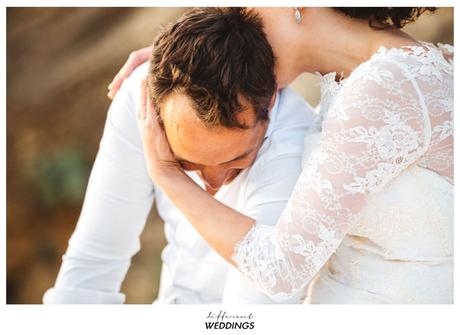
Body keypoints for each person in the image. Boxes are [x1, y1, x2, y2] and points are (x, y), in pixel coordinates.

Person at [112, 7, 453, 303]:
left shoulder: (386, 86)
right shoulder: (378, 79)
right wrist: (186, 62)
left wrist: (166, 173)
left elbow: (282, 267)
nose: (236, 22)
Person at [43, 8, 316, 304]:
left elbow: (253, 315)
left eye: (236, 160)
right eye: (187, 163)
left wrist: (168, 171)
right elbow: (92, 265)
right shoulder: (141, 99)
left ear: (271, 98)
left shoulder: (296, 145)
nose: (212, 184)